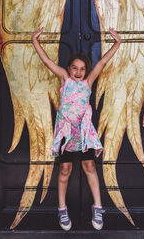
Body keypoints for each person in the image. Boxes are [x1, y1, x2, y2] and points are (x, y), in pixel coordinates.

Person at [31, 27, 121, 231]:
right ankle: (62, 208)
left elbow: (102, 62)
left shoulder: (88, 82)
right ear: (69, 69)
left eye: (82, 69)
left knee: (89, 167)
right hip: (66, 132)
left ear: (86, 71)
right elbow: (46, 61)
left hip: (84, 132)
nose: (78, 72)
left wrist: (117, 43)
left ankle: (97, 206)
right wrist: (34, 40)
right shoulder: (64, 78)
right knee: (65, 170)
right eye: (74, 68)